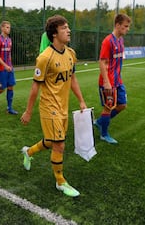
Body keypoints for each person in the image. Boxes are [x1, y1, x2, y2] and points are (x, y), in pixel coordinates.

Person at [20, 15, 87, 197]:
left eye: (67, 27)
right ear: (54, 34)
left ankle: (29, 152)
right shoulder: (44, 58)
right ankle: (60, 181)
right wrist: (28, 111)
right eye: (64, 28)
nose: (68, 30)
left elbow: (72, 79)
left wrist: (81, 100)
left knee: (51, 141)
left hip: (63, 106)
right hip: (49, 107)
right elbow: (35, 87)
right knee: (59, 145)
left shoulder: (71, 53)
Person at [94, 13, 131, 144]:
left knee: (122, 105)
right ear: (117, 25)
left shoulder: (121, 40)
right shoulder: (107, 41)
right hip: (108, 82)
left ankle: (99, 122)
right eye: (125, 26)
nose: (128, 29)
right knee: (108, 107)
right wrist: (106, 82)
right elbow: (102, 62)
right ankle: (104, 134)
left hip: (118, 80)